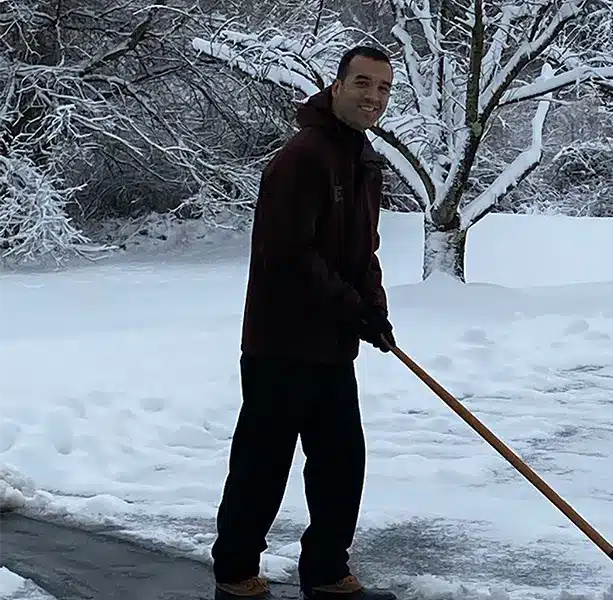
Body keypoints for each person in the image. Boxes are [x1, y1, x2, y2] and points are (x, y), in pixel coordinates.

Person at [210, 46, 400, 600]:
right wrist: (351, 306)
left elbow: (363, 249)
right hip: (282, 342)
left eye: (384, 88)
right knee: (264, 464)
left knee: (342, 462)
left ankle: (325, 569)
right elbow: (289, 255)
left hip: (332, 345)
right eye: (363, 83)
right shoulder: (304, 157)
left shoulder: (362, 159)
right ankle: (236, 569)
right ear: (336, 87)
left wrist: (374, 306)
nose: (374, 96)